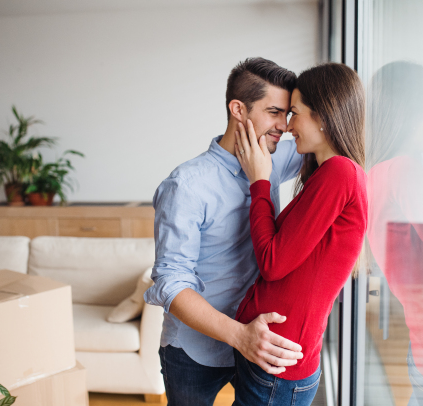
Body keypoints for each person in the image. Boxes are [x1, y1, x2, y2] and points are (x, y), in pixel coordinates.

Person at [143, 57, 304, 406]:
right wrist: (240, 336)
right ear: (238, 109)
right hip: (194, 350)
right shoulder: (186, 185)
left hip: (257, 337)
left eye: (288, 114)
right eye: (275, 112)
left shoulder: (274, 156)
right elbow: (171, 282)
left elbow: (327, 145)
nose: (285, 126)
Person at [232, 62, 368, 405]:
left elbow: (273, 263)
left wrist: (260, 182)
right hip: (270, 358)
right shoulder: (327, 173)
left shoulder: (340, 172)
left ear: (323, 115)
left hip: (277, 368)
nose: (289, 126)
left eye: (294, 113)